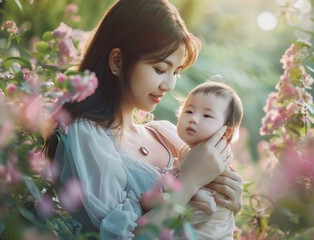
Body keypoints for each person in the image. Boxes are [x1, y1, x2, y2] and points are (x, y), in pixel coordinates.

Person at [43, 0, 243, 239]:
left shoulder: (166, 133)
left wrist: (230, 198)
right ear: (117, 61)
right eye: (160, 69)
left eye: (176, 72)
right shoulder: (87, 136)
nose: (169, 85)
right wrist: (188, 182)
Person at [174, 80, 244, 240]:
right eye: (189, 111)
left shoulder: (217, 164)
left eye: (207, 115)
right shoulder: (188, 152)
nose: (193, 119)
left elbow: (206, 207)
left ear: (225, 133)